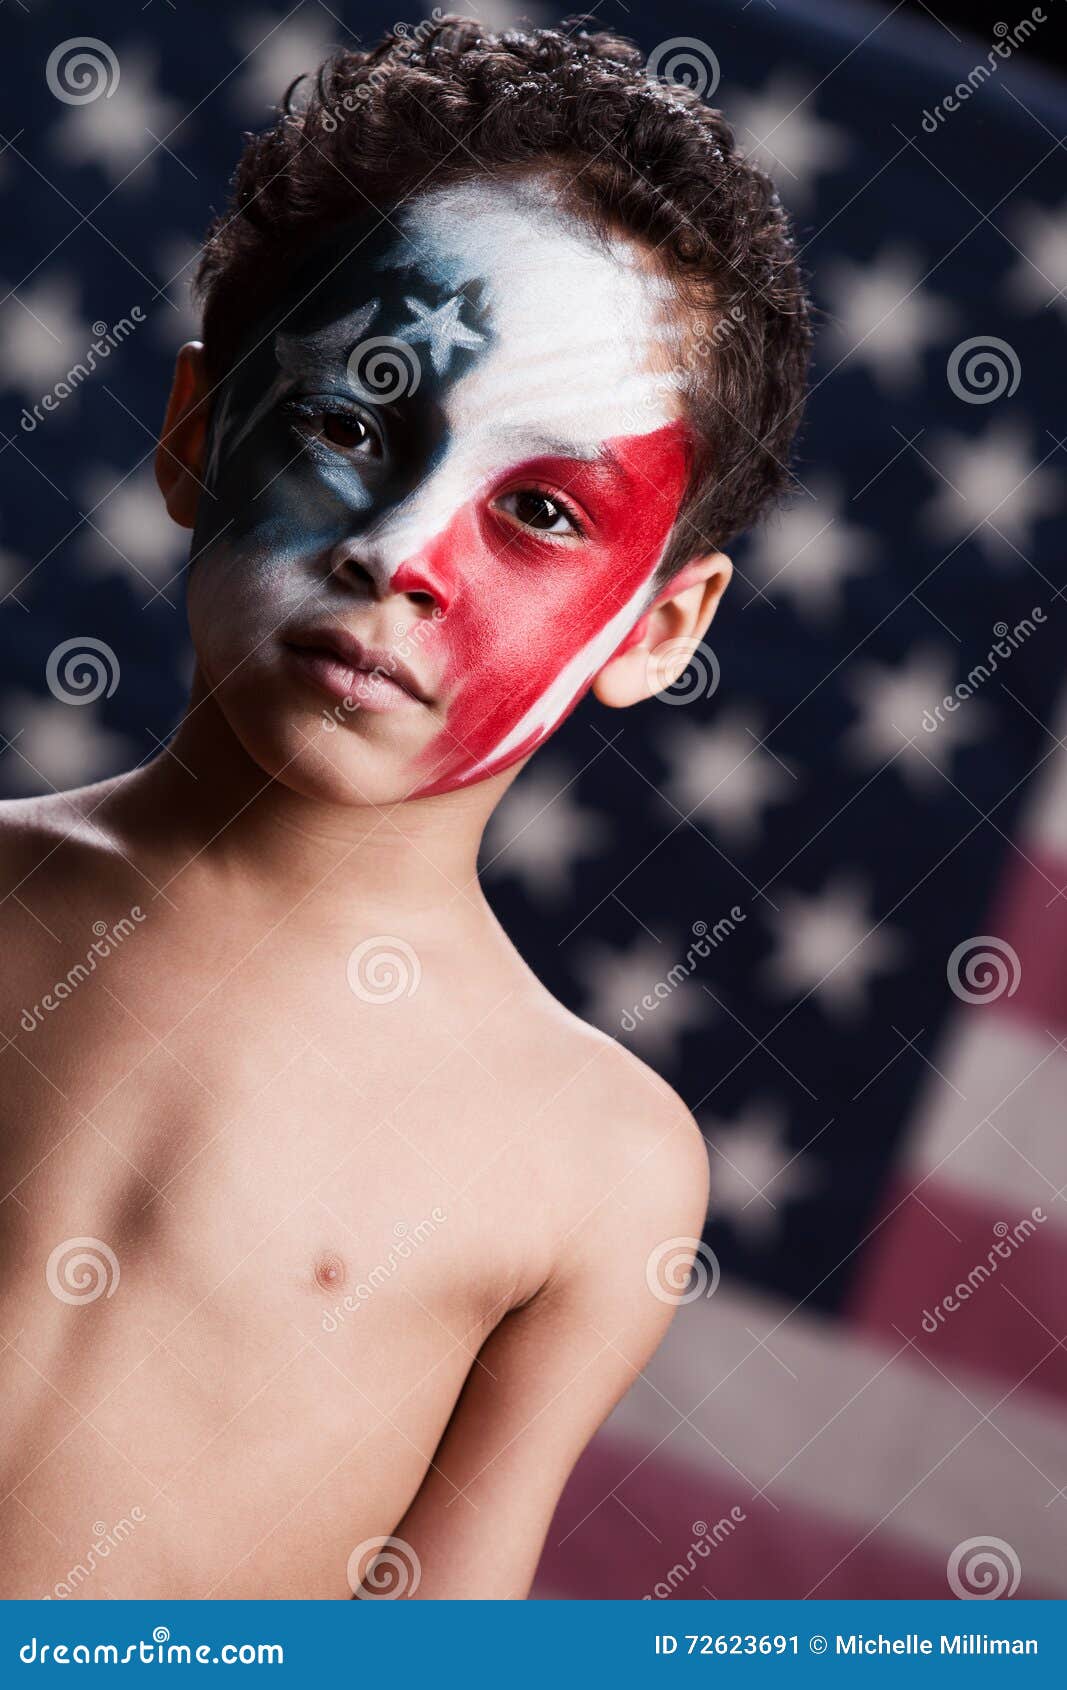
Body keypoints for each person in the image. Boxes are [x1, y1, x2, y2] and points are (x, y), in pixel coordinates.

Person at [0, 17, 810, 1599]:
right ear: (195, 431)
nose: (401, 548)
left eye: (540, 508)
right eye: (350, 423)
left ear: (656, 626)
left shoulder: (597, 1162)